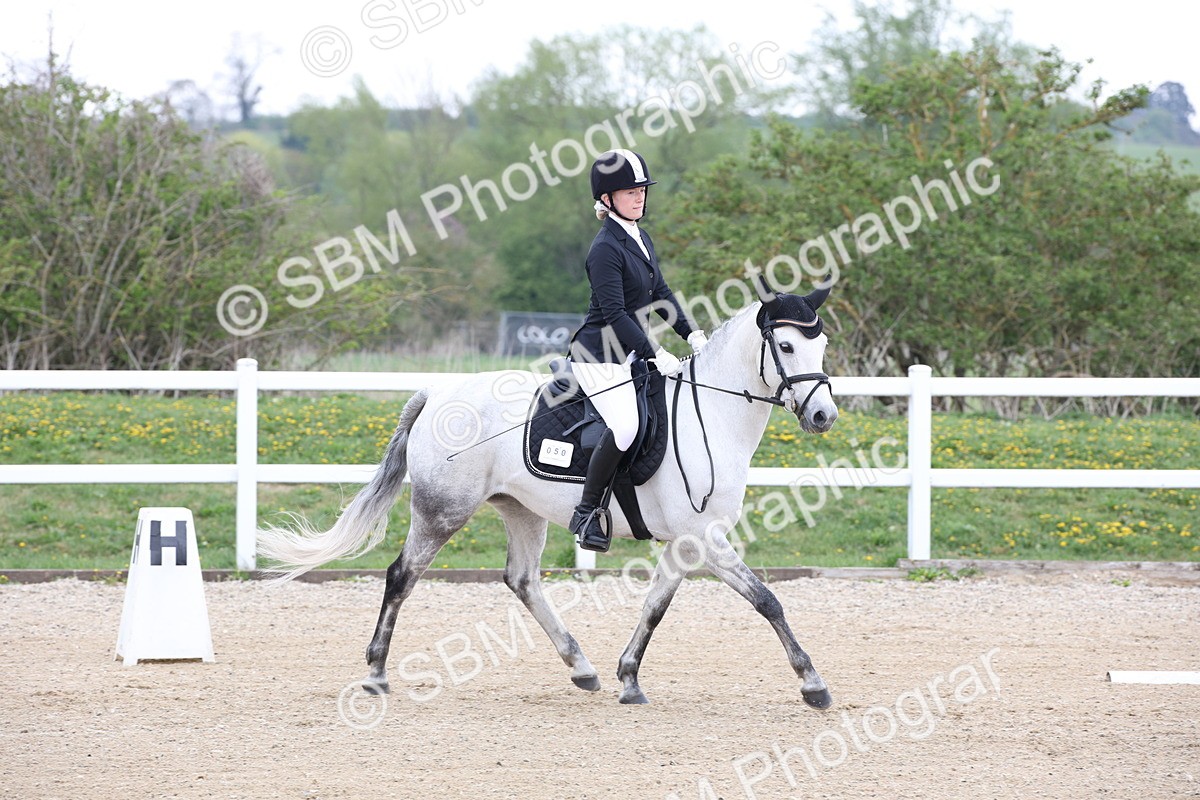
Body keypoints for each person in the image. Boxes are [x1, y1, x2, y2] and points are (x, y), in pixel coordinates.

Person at [567, 149, 708, 552]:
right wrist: (652, 353)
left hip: (629, 352)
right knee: (626, 427)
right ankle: (587, 511)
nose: (639, 197)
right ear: (607, 199)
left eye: (642, 190)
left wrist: (691, 334)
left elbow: (660, 293)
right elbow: (614, 313)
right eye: (629, 192)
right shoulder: (604, 249)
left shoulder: (639, 236)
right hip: (600, 355)